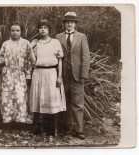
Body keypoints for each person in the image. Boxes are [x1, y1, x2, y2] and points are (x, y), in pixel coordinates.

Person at [56, 12, 90, 140]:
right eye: (67, 22)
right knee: (65, 102)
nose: (69, 24)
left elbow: (86, 58)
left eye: (72, 22)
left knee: (78, 103)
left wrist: (83, 76)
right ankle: (67, 127)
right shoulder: (58, 37)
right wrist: (57, 75)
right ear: (64, 23)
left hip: (77, 76)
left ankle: (79, 129)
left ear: (75, 24)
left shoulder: (81, 37)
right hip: (63, 75)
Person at [29, 19, 67, 136]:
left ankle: (51, 130)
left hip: (51, 73)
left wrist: (59, 76)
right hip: (38, 73)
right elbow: (33, 62)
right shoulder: (36, 43)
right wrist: (30, 48)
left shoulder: (55, 42)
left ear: (49, 30)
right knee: (38, 98)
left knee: (51, 100)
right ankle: (38, 129)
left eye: (45, 27)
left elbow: (60, 60)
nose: (43, 30)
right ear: (38, 30)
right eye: (41, 28)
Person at [0, 21, 33, 125]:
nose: (15, 33)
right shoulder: (5, 44)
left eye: (17, 30)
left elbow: (29, 60)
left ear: (21, 31)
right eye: (13, 30)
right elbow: (0, 58)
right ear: (9, 31)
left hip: (20, 73)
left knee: (20, 96)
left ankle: (21, 121)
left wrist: (28, 74)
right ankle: (8, 121)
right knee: (7, 96)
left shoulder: (26, 43)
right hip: (7, 74)